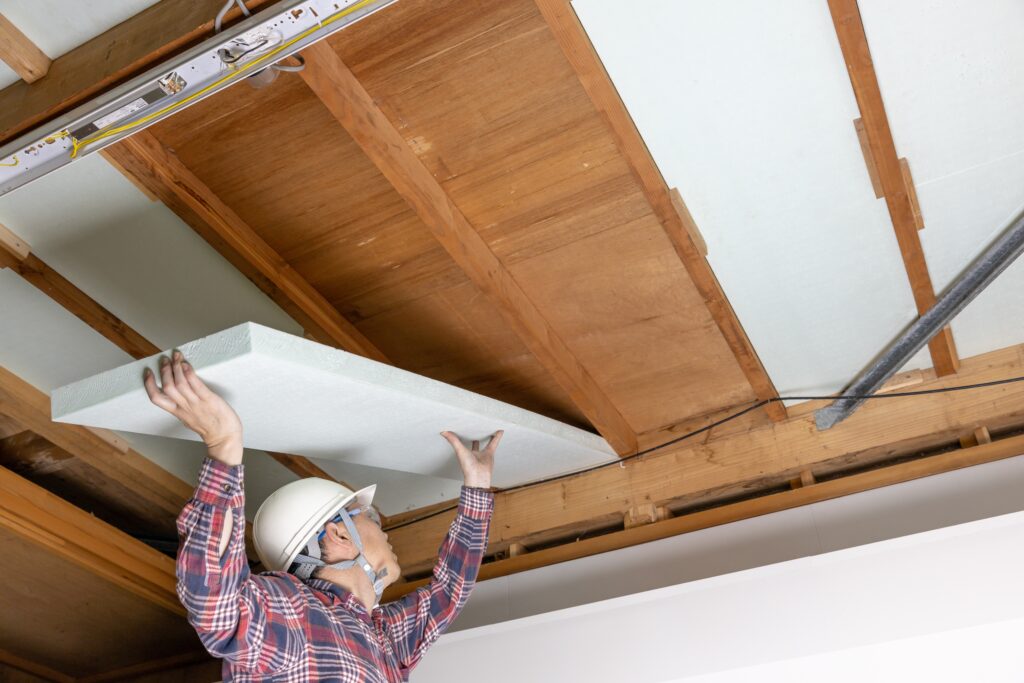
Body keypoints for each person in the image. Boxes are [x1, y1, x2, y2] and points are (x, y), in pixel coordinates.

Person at [144, 350, 501, 681]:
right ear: (340, 535)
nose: (383, 528)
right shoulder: (293, 613)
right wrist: (224, 445)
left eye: (370, 518)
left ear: (342, 535)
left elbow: (449, 592)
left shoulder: (383, 638)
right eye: (370, 517)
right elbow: (215, 601)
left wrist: (478, 487)